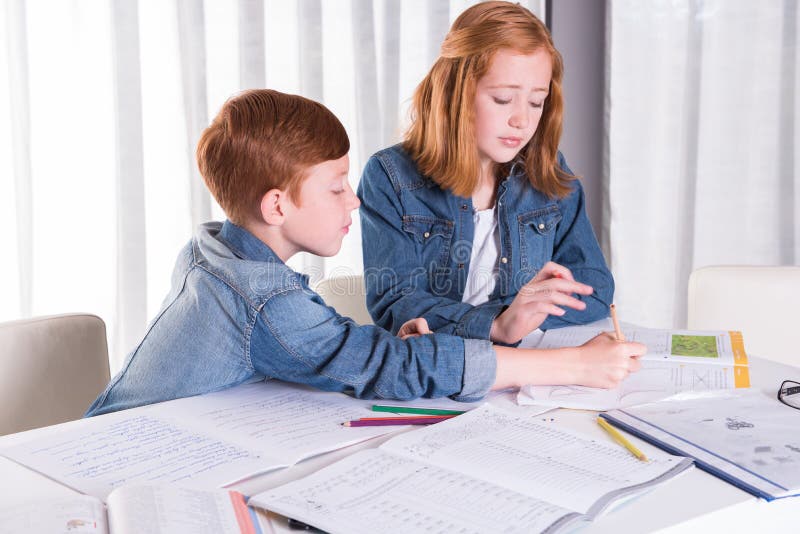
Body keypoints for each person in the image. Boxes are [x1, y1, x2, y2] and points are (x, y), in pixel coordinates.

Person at [86, 89, 643, 416]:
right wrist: (575, 364)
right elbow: (382, 365)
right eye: (334, 187)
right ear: (277, 206)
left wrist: (380, 346)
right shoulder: (261, 298)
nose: (353, 199)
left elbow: (306, 343)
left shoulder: (213, 252)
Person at [358, 1, 613, 346]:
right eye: (504, 98)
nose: (522, 120)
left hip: (526, 365)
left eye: (536, 102)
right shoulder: (390, 176)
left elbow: (594, 288)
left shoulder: (548, 172)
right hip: (439, 370)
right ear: (455, 95)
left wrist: (517, 318)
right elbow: (396, 302)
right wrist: (497, 324)